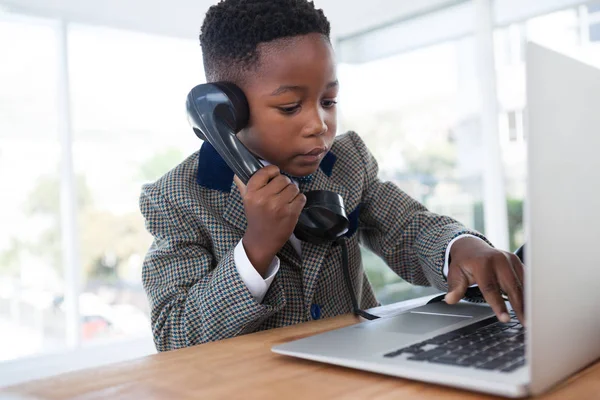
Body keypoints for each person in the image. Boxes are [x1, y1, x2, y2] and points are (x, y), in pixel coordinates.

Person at [140, 0, 525, 352]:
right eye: (290, 106)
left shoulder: (347, 160)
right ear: (226, 110)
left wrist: (459, 247)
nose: (319, 125)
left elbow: (408, 227)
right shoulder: (177, 198)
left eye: (329, 101)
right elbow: (175, 335)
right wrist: (255, 249)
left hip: (359, 373)